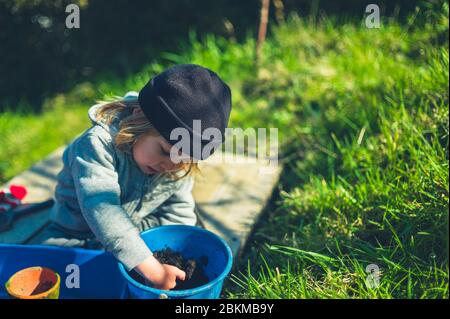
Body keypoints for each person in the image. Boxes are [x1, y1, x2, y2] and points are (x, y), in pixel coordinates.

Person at [28, 64, 232, 290]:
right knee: (54, 273)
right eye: (165, 150)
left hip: (136, 235)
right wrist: (152, 269)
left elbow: (179, 212)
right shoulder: (96, 146)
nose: (171, 164)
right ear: (138, 119)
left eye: (185, 158)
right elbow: (102, 209)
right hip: (75, 236)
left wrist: (160, 254)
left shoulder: (175, 162)